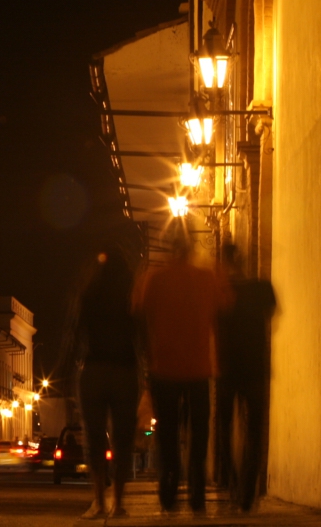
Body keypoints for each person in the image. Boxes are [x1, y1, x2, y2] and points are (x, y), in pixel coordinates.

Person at [132, 223, 232, 513]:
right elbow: (225, 310)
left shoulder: (155, 279)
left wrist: (147, 355)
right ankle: (198, 491)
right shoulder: (206, 278)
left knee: (168, 434)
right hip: (199, 368)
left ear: (168, 248)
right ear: (190, 248)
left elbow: (139, 315)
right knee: (200, 431)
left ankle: (169, 485)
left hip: (164, 368)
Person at [73, 245, 141, 520]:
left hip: (94, 370)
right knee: (123, 439)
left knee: (95, 438)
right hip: (125, 370)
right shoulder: (132, 297)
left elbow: (75, 333)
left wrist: (72, 367)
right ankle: (118, 503)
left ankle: (98, 501)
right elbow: (142, 335)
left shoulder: (88, 294)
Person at [217, 243, 276, 512]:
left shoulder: (220, 291)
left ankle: (233, 482)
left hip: (227, 370)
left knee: (224, 429)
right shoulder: (262, 288)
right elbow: (272, 314)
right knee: (254, 432)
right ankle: (247, 492)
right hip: (254, 369)